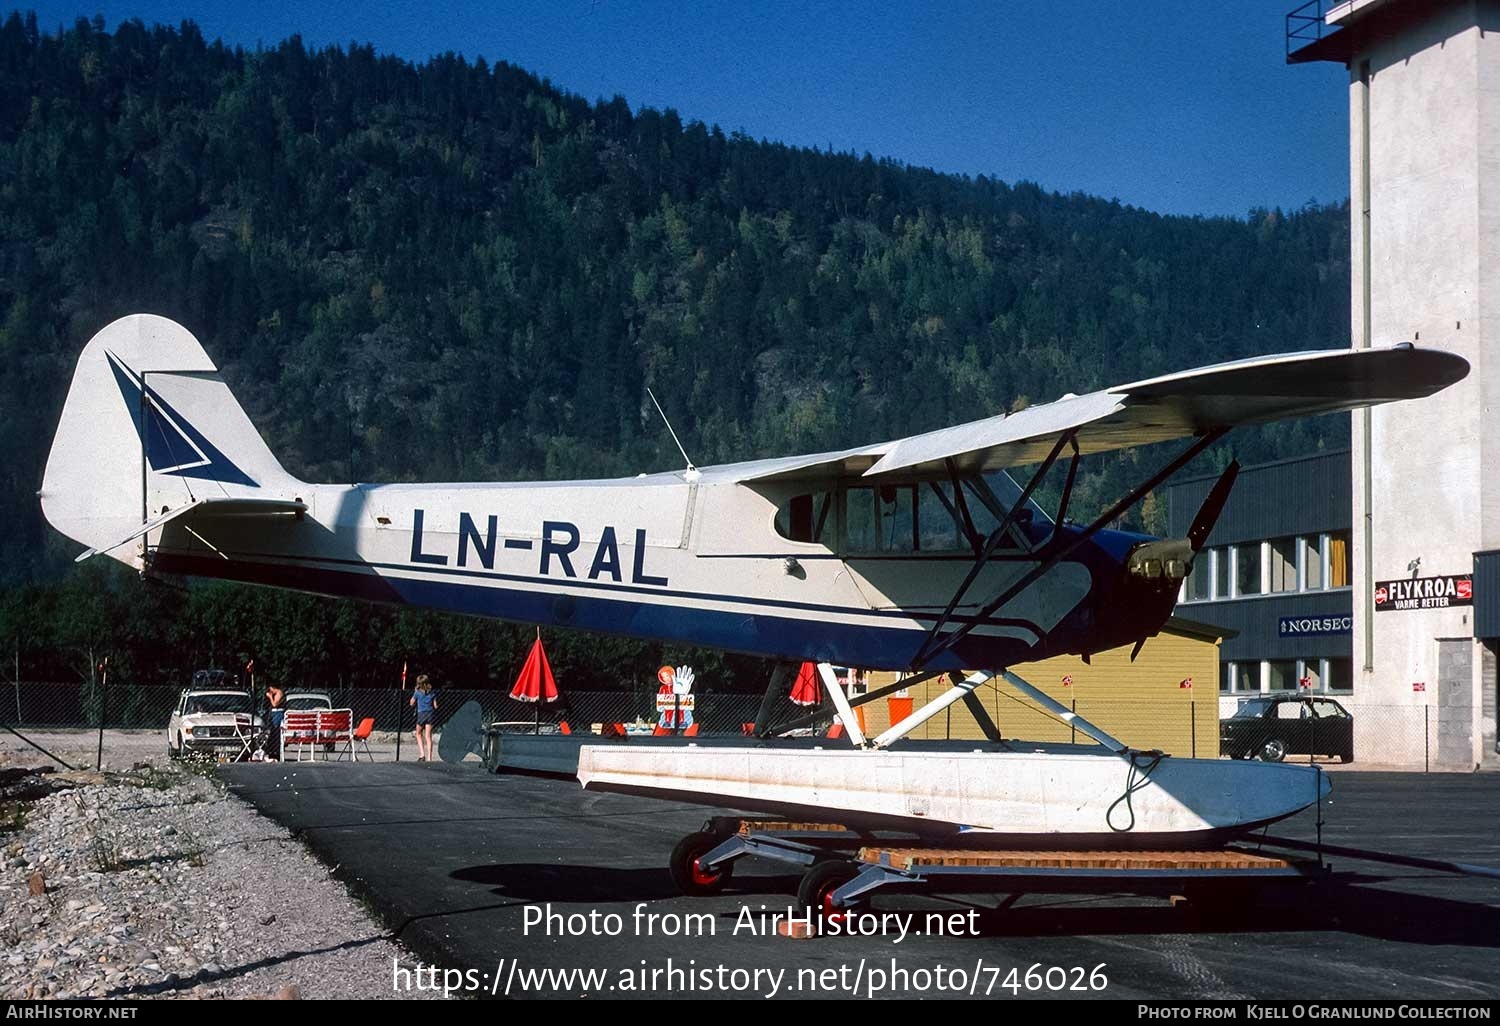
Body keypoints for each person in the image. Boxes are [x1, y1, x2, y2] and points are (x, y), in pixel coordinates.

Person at [410, 674, 437, 761]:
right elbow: (436, 706)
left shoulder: (417, 692)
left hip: (421, 714)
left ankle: (422, 754)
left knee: (418, 733)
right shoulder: (432, 692)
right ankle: (429, 757)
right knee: (428, 736)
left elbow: (411, 703)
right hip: (430, 714)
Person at [262, 682, 285, 760]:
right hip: (273, 713)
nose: (270, 691)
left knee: (276, 731)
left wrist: (270, 697)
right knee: (272, 732)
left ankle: (276, 752)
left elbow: (275, 704)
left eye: (270, 689)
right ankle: (271, 751)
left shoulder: (279, 693)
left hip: (277, 713)